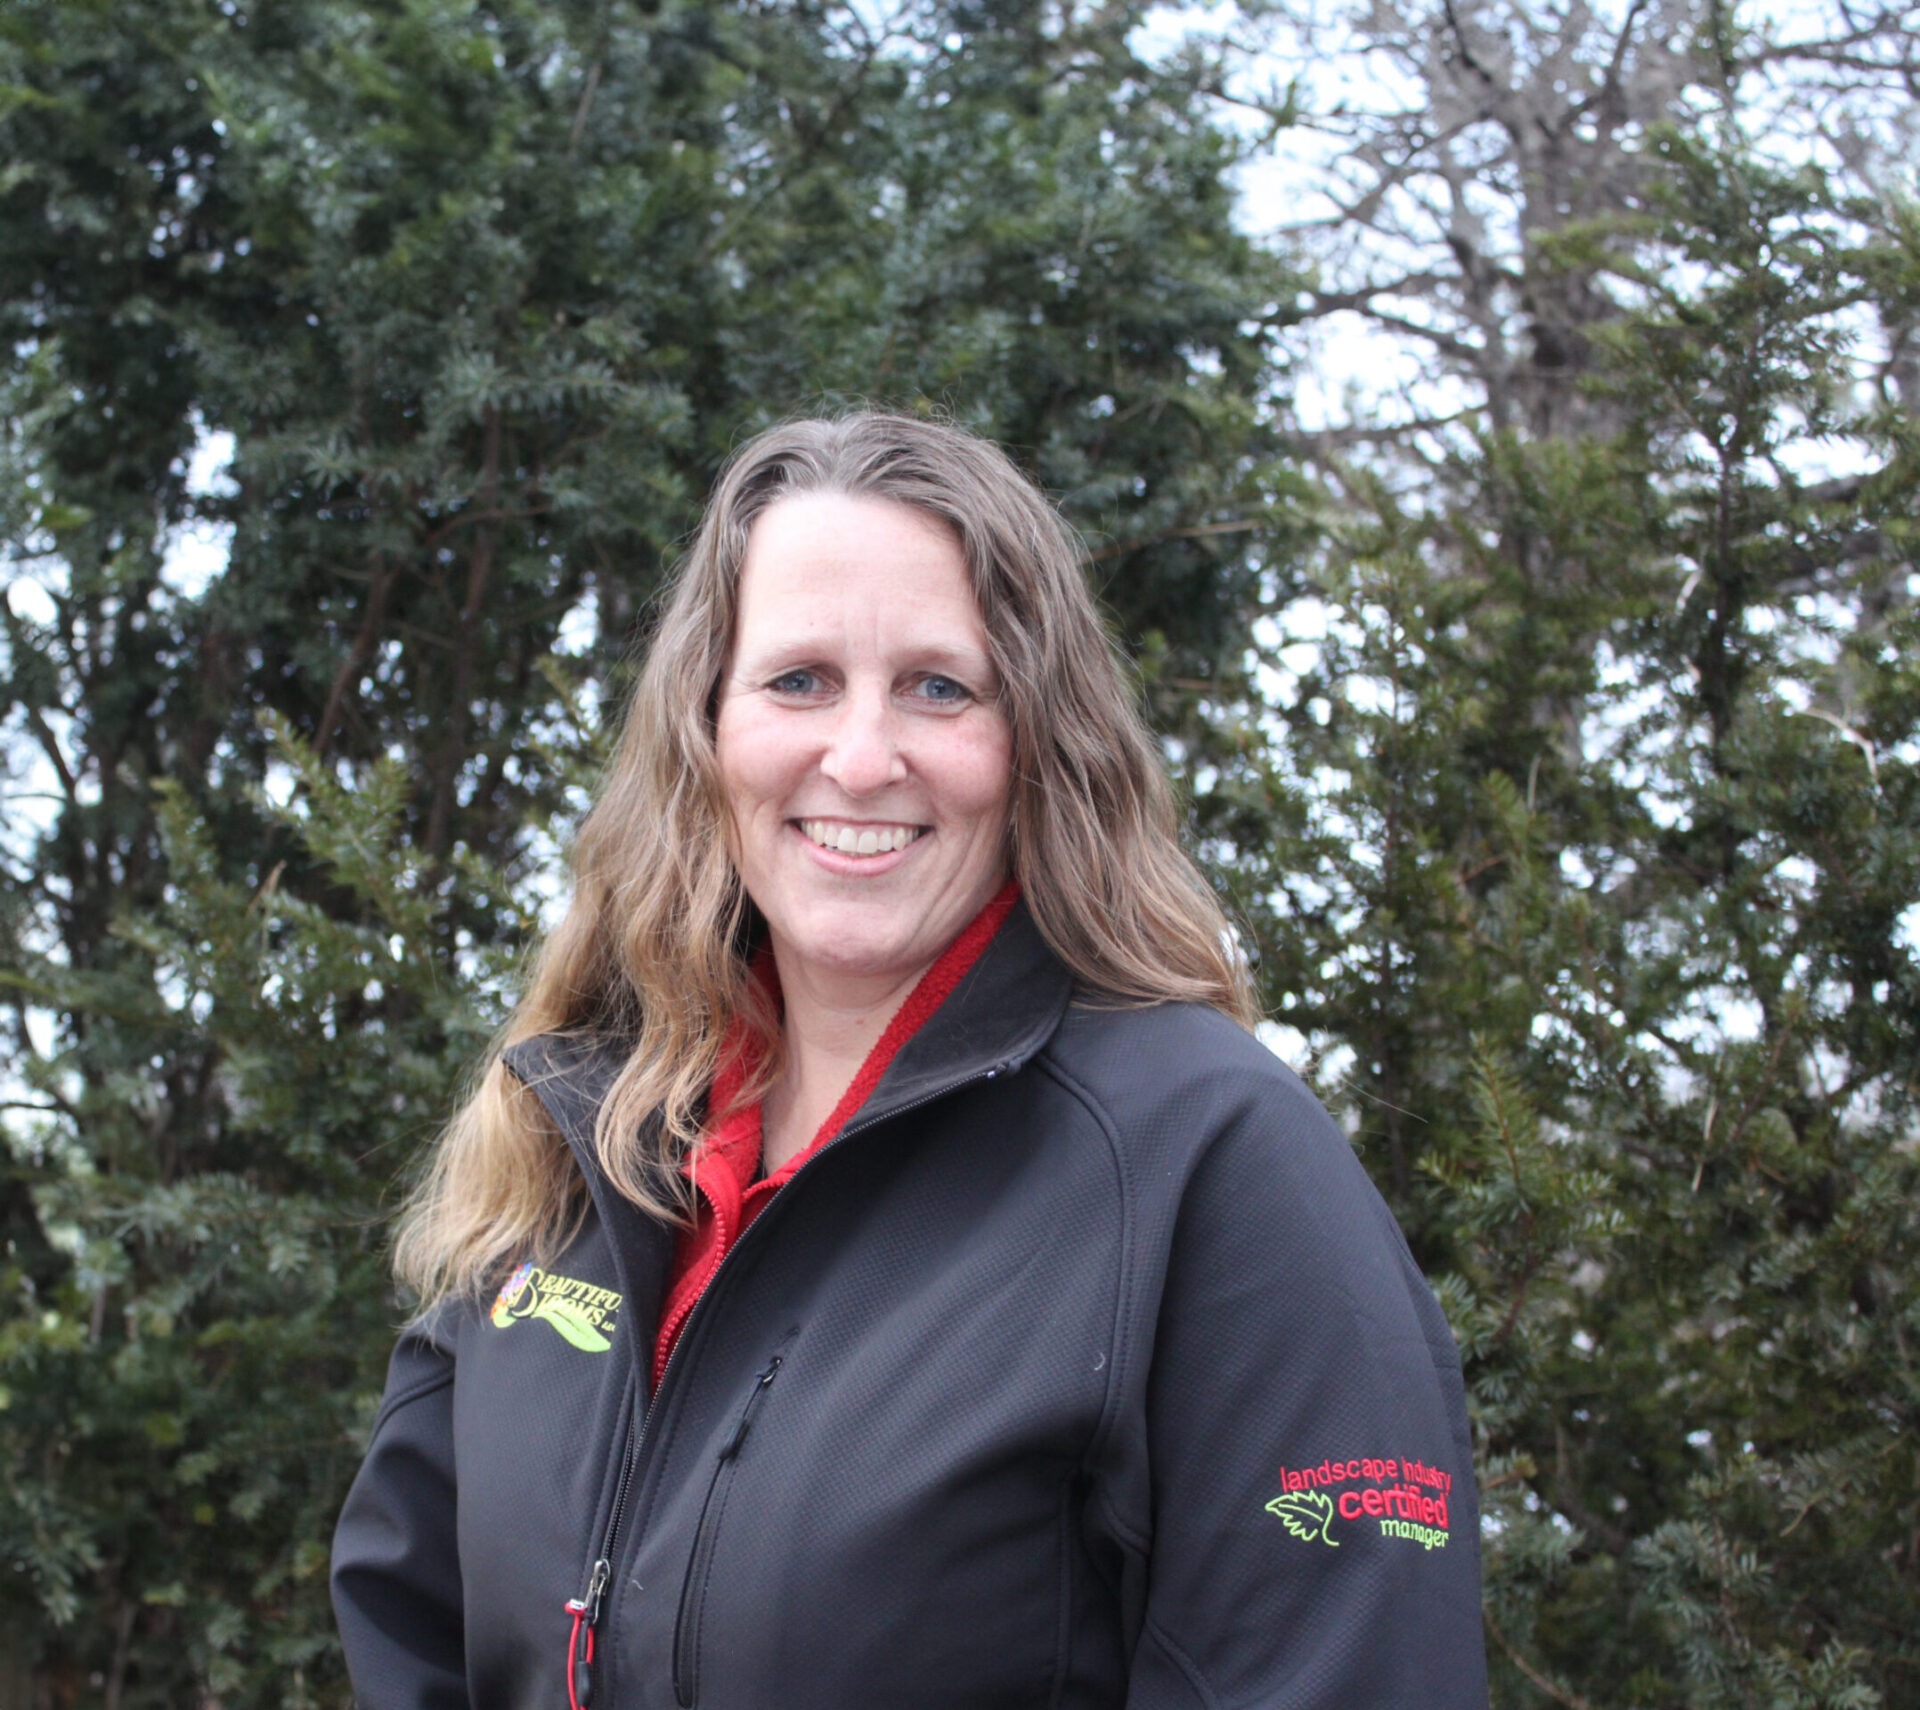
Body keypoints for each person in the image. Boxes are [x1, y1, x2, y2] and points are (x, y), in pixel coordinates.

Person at [330, 413, 1489, 1709]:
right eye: (800, 680)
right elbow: (409, 1617)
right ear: (706, 727)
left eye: (940, 685)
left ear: (1038, 741)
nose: (864, 757)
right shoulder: (589, 1148)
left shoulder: (1209, 1162)